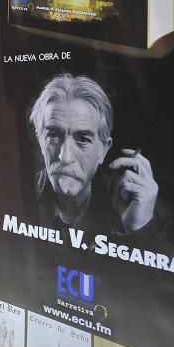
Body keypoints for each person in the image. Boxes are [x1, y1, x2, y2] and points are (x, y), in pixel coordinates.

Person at [28, 73, 159, 235]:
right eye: (53, 135)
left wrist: (137, 230)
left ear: (104, 148)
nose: (65, 157)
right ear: (40, 139)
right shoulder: (15, 197)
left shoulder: (144, 207)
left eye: (82, 139)